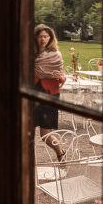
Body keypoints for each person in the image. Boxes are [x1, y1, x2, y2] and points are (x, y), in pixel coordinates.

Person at [33, 24, 66, 161]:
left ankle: (60, 153)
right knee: (26, 132)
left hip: (49, 94)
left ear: (50, 38)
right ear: (35, 38)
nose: (43, 39)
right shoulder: (30, 53)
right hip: (32, 93)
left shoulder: (55, 55)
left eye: (46, 36)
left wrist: (60, 77)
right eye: (40, 36)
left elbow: (62, 78)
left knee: (45, 134)